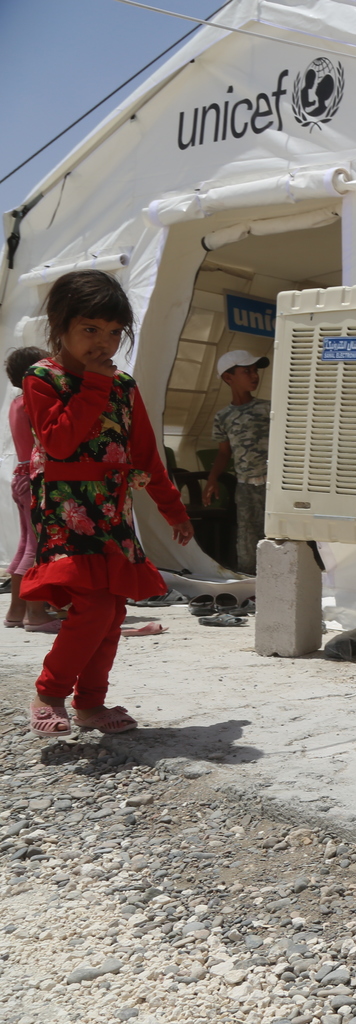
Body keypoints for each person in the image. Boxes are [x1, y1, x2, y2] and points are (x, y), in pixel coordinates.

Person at [19, 270, 193, 737]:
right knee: (93, 607)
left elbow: (145, 454)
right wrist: (93, 385)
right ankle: (49, 691)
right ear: (61, 327)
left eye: (115, 333)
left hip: (113, 510)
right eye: (90, 330)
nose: (104, 343)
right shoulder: (43, 379)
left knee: (113, 610)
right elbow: (58, 442)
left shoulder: (123, 386)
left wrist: (173, 509)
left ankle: (91, 704)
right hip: (66, 509)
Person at [203, 349, 271, 575]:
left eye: (255, 371)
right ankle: (250, 582)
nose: (254, 376)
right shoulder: (223, 417)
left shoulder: (269, 409)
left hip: (272, 485)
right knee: (247, 536)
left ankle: (278, 579)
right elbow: (224, 452)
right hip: (245, 486)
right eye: (247, 371)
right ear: (228, 378)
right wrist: (213, 479)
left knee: (275, 534)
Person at [5, 345, 53, 631]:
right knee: (38, 548)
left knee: (25, 545)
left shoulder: (16, 403)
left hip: (21, 475)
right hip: (37, 478)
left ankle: (16, 611)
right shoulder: (34, 403)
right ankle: (35, 613)